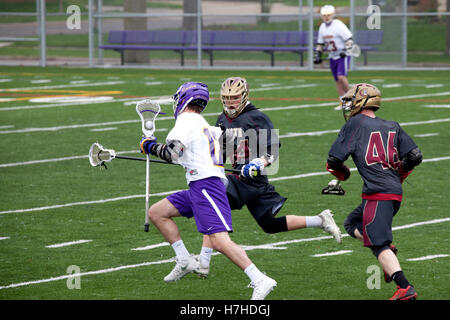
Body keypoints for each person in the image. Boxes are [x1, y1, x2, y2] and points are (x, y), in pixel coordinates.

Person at [193, 77, 342, 278]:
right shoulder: (222, 119)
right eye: (226, 98)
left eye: (235, 97)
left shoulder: (256, 117)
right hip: (241, 176)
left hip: (253, 180)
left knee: (213, 201)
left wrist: (258, 163)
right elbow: (221, 149)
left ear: (244, 96)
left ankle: (203, 262)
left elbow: (272, 148)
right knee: (270, 225)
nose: (230, 102)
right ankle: (320, 220)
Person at [140, 82, 277, 300]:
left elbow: (173, 154)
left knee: (219, 241)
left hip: (207, 186)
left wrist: (150, 147)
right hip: (199, 184)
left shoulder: (185, 122)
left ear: (184, 99)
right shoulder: (201, 122)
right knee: (157, 212)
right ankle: (185, 260)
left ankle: (260, 279)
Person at [326, 83, 422, 300]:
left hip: (377, 193)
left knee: (378, 244)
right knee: (351, 223)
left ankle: (404, 287)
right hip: (393, 192)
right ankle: (389, 252)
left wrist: (342, 175)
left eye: (351, 100)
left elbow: (333, 160)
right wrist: (400, 175)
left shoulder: (355, 124)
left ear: (361, 101)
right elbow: (415, 156)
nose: (347, 105)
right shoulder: (392, 125)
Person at [314, 5, 354, 104]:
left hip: (342, 54)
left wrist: (346, 50)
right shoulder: (322, 27)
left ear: (333, 15)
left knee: (341, 77)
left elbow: (349, 39)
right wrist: (318, 53)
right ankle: (342, 101)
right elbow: (320, 43)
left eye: (328, 15)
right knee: (336, 79)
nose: (326, 17)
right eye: (324, 15)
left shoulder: (338, 25)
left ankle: (350, 98)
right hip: (332, 55)